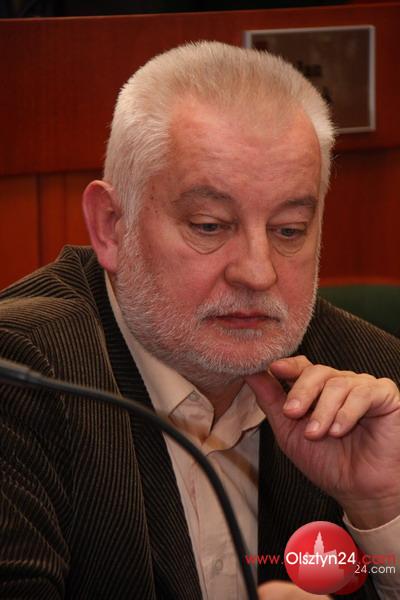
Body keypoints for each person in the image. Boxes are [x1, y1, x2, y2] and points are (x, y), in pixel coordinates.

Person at [0, 41, 399, 600]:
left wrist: (383, 511)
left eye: (289, 230)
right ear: (111, 225)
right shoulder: (19, 378)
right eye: (209, 225)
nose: (257, 272)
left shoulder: (375, 382)